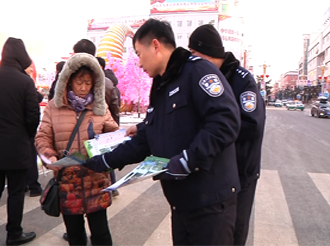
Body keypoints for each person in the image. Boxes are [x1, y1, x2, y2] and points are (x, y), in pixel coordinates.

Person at [85, 18, 241, 246]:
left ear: (156, 45)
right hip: (182, 203)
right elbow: (148, 137)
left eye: (139, 53)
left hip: (210, 204)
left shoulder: (198, 71)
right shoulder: (160, 86)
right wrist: (105, 160)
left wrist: (189, 160)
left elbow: (225, 121)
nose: (138, 63)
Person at [188, 24, 266, 246]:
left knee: (235, 232)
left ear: (206, 52)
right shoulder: (205, 77)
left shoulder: (242, 80)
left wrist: (215, 130)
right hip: (217, 172)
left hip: (242, 171)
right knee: (217, 233)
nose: (192, 60)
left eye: (194, 54)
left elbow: (252, 125)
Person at [35, 53, 119, 246]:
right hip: (67, 182)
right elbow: (42, 137)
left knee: (101, 235)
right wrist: (50, 156)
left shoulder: (100, 107)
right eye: (79, 82)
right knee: (75, 236)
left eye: (88, 83)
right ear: (68, 80)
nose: (83, 88)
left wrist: (111, 143)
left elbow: (114, 132)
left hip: (96, 181)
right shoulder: (53, 107)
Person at [0, 37, 40, 246]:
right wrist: (26, 135)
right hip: (17, 148)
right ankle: (14, 233)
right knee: (16, 192)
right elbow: (33, 116)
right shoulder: (25, 82)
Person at [96, 56, 120, 197]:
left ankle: (108, 187)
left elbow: (113, 108)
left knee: (102, 158)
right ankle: (112, 186)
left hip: (102, 127)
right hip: (107, 127)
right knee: (106, 157)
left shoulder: (103, 83)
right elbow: (115, 108)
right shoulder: (110, 83)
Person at [24, 64, 44, 197]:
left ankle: (24, 184)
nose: (31, 69)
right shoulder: (25, 81)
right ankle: (33, 186)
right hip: (24, 129)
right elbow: (35, 102)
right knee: (30, 156)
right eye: (29, 67)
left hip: (6, 131)